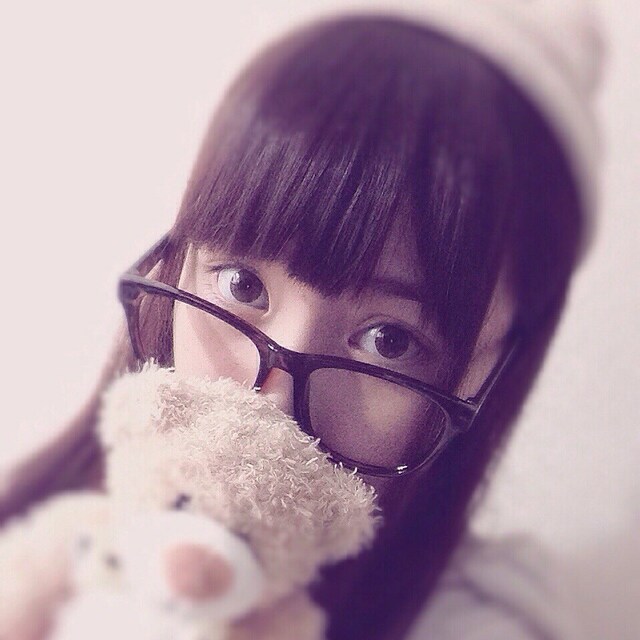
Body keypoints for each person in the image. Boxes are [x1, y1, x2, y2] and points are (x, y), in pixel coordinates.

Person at [0, 1, 605, 639]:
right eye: (242, 284)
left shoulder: (477, 625)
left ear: (490, 370)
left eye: (389, 340)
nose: (273, 400)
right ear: (175, 262)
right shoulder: (42, 533)